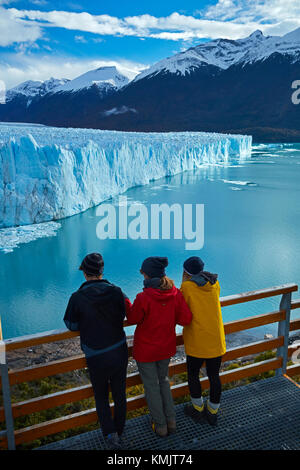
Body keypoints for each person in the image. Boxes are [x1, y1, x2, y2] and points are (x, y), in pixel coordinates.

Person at [63, 252, 131, 450]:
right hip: (119, 350)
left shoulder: (77, 297)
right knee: (119, 393)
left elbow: (71, 324)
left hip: (96, 355)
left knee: (100, 395)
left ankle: (110, 435)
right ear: (102, 271)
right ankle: (120, 429)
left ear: (85, 273)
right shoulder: (117, 291)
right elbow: (127, 311)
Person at [126, 256, 192, 437]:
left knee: (151, 387)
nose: (143, 277)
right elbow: (185, 319)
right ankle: (171, 421)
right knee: (163, 382)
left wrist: (126, 302)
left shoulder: (143, 297)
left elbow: (132, 318)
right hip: (165, 348)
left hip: (146, 351)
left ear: (147, 275)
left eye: (144, 274)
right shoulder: (175, 293)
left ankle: (160, 426)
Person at [180, 256, 226, 426]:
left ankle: (197, 409)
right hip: (215, 338)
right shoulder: (214, 283)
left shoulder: (186, 287)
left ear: (186, 272)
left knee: (193, 374)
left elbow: (181, 308)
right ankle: (213, 412)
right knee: (214, 375)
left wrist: (184, 282)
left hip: (197, 340)